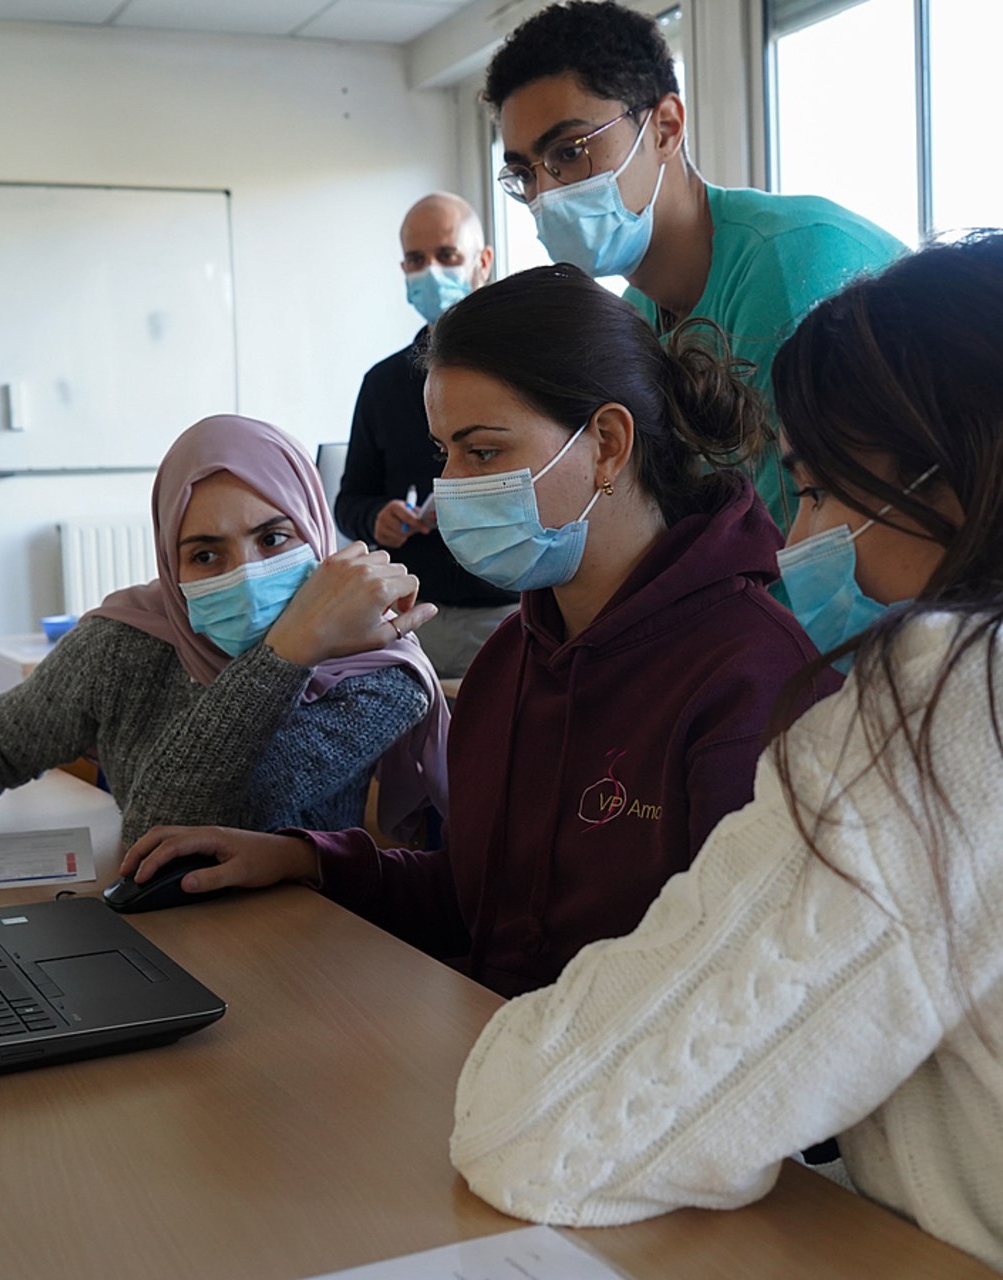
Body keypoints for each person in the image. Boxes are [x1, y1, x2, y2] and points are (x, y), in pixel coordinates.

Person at [447, 234, 1003, 1271]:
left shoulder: (937, 709)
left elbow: (543, 1129)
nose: (800, 536)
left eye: (822, 490)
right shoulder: (513, 658)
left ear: (952, 473)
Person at [118, 266, 835, 999]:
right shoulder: (511, 664)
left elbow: (742, 995)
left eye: (483, 452)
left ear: (609, 445)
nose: (448, 488)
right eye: (444, 455)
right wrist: (310, 860)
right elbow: (484, 906)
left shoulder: (753, 679)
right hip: (497, 1061)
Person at [0, 415, 449, 870]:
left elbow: (173, 825)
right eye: (205, 553)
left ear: (315, 530)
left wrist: (289, 650)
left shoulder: (375, 669)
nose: (246, 572)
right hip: (142, 929)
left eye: (274, 539)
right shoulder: (130, 641)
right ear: (172, 569)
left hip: (307, 948)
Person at [485, 0, 907, 533]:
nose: (545, 192)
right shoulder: (636, 317)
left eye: (570, 151)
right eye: (524, 173)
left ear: (664, 128)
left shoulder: (790, 264)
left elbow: (823, 545)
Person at [335, 192, 517, 679]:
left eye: (447, 255)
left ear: (482, 262)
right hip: (412, 616)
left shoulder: (522, 372)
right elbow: (349, 499)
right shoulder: (385, 383)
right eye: (416, 260)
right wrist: (377, 517)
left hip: (510, 611)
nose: (431, 270)